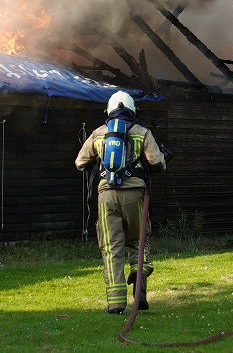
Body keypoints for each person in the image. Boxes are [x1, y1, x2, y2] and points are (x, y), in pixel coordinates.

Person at [75, 91, 172, 315]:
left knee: (111, 248)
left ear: (108, 111)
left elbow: (80, 162)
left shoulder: (99, 133)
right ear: (133, 111)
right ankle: (141, 295)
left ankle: (116, 303)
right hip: (135, 196)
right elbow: (158, 163)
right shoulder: (142, 132)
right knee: (138, 243)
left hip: (106, 197)